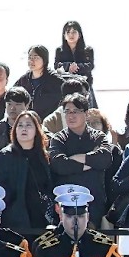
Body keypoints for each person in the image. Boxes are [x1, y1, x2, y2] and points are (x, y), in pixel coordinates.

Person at [0, 110, 54, 236]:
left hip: (40, 219)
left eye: (28, 125)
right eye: (20, 125)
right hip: (13, 221)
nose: (24, 128)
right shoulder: (5, 155)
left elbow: (50, 184)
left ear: (37, 130)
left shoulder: (43, 156)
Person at [48, 94, 111, 225]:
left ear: (86, 114)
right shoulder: (59, 139)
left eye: (75, 111)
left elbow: (105, 158)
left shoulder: (98, 137)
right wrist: (89, 164)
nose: (71, 116)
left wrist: (77, 158)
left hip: (93, 204)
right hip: (66, 206)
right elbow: (59, 165)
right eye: (67, 112)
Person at [13, 45, 66, 120]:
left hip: (49, 123)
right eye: (30, 57)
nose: (31, 60)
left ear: (44, 60)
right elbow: (12, 95)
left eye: (35, 57)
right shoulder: (24, 80)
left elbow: (68, 96)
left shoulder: (55, 80)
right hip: (28, 122)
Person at [55, 21, 96, 108]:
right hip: (66, 85)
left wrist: (77, 67)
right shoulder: (60, 50)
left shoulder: (87, 50)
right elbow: (56, 65)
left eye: (74, 32)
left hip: (84, 86)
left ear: (79, 34)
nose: (71, 35)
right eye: (68, 32)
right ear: (64, 35)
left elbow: (90, 65)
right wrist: (68, 66)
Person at [0, 86, 31, 155]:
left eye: (17, 104)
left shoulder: (34, 129)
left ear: (27, 106)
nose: (12, 108)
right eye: (9, 104)